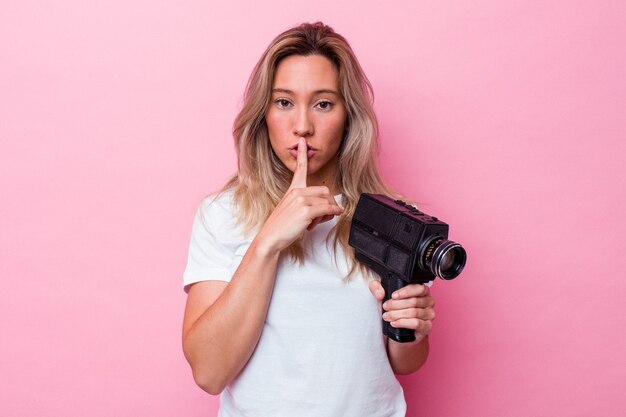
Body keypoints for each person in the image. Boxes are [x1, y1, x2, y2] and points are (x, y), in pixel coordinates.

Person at [182, 22, 436, 417]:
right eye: (284, 102)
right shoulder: (222, 214)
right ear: (263, 113)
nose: (302, 125)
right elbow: (210, 372)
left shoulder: (392, 218)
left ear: (348, 116)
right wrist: (269, 241)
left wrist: (410, 327)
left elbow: (406, 362)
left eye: (323, 104)